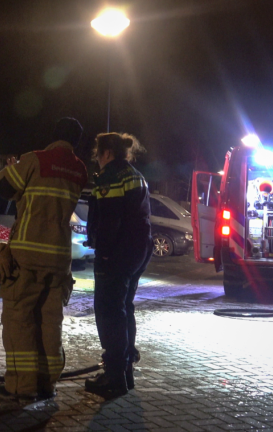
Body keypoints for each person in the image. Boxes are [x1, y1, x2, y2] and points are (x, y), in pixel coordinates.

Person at [0, 117, 88, 403]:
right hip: (59, 259)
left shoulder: (35, 159)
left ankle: (20, 387)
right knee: (50, 321)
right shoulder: (79, 169)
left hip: (27, 255)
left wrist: (9, 168)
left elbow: (5, 189)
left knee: (20, 320)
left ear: (53, 134)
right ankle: (47, 384)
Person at [84, 132, 152, 398]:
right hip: (138, 251)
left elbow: (110, 219)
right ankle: (124, 375)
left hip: (118, 253)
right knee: (123, 308)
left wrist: (104, 254)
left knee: (109, 312)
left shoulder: (112, 175)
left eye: (97, 153)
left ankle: (114, 379)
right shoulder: (135, 174)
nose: (96, 159)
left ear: (107, 153)